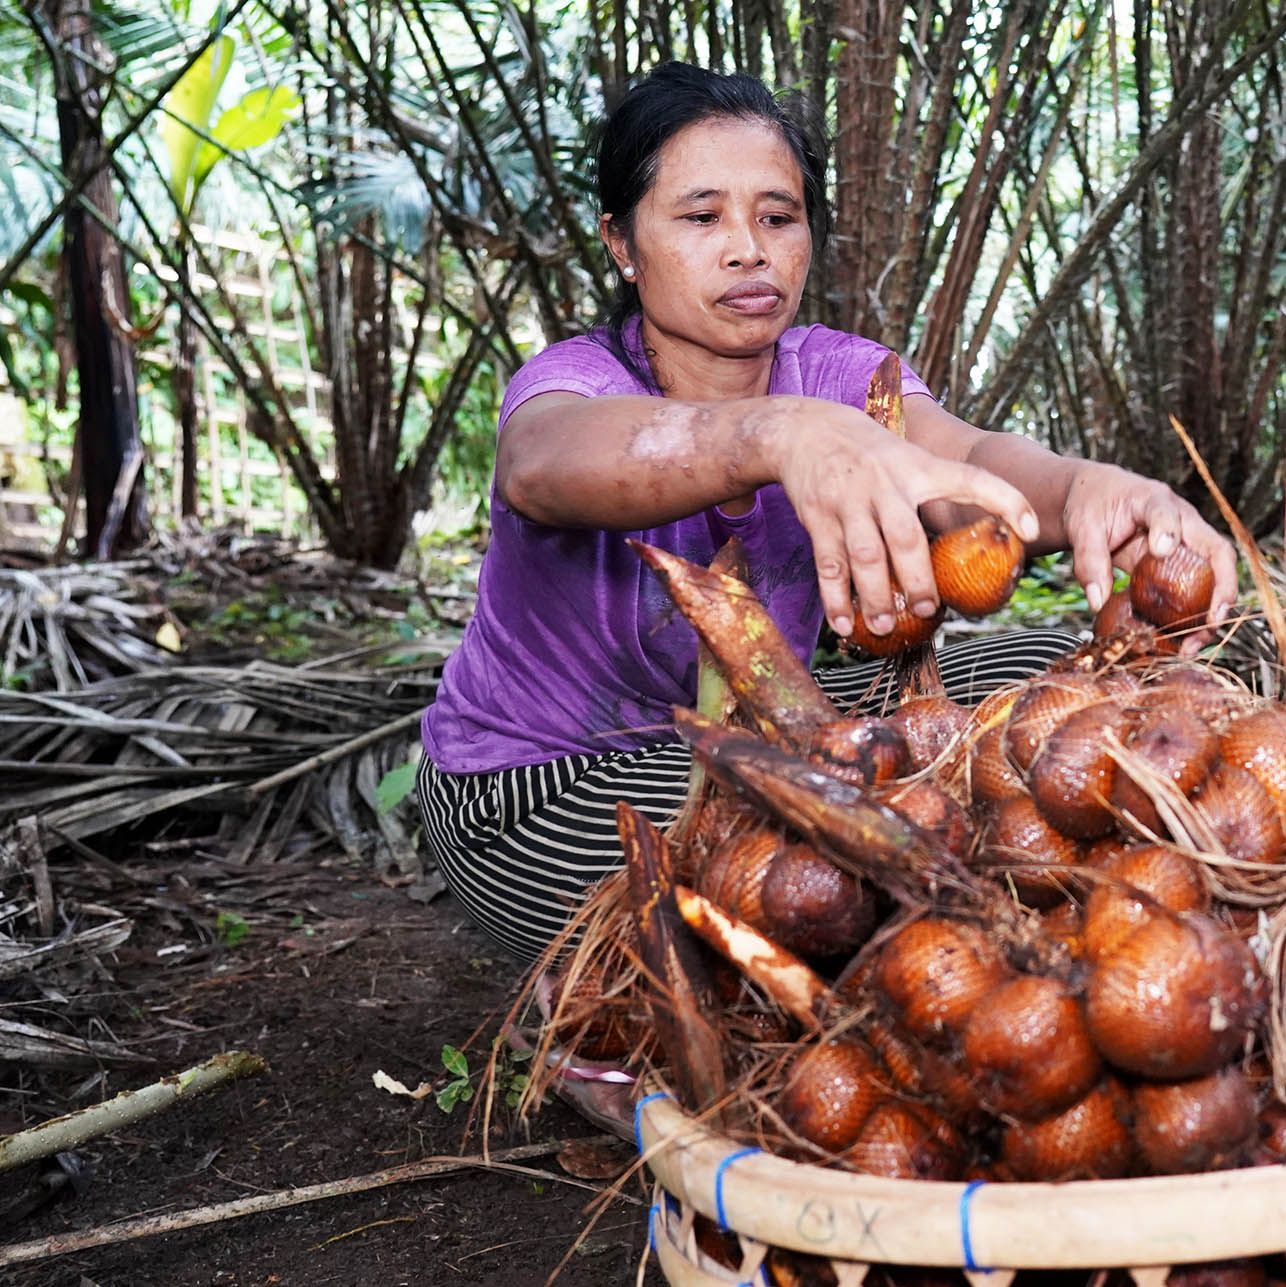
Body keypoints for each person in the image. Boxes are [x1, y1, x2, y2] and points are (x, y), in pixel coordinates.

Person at [416, 63, 1237, 964]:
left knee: (1085, 690)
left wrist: (1086, 489)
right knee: (822, 865)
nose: (748, 249)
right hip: (544, 783)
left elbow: (960, 458)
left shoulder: (841, 375)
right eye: (701, 217)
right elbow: (541, 465)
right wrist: (780, 435)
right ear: (621, 241)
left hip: (764, 731)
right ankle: (612, 1029)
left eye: (778, 216)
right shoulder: (579, 383)